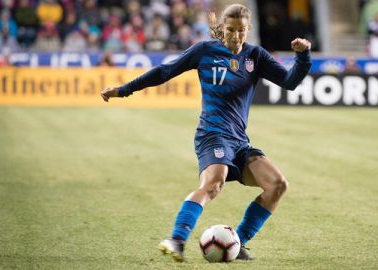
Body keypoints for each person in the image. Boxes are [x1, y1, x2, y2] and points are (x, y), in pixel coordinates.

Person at [100, 4, 312, 262]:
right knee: (213, 184)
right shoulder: (205, 51)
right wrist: (124, 89)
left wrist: (303, 56)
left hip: (240, 141)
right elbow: (165, 71)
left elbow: (290, 81)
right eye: (231, 30)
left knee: (277, 185)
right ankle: (176, 240)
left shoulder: (255, 56)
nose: (236, 36)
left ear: (249, 30)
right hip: (212, 134)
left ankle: (237, 242)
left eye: (241, 30)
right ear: (223, 28)